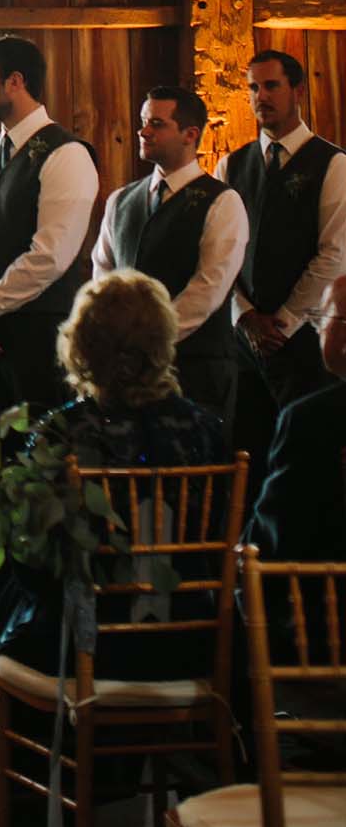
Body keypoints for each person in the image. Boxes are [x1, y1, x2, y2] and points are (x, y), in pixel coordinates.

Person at [0, 269, 226, 827]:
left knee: (16, 608)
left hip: (92, 647)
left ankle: (29, 824)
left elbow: (33, 564)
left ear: (82, 346)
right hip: (191, 642)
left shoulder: (64, 431)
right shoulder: (207, 432)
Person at [0, 36, 99, 422]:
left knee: (41, 465)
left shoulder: (67, 153)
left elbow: (50, 256)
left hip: (40, 341)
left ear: (15, 81)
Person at [216, 48, 346, 472]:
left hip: (306, 339)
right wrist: (245, 315)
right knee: (245, 455)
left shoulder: (333, 164)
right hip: (243, 341)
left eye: (271, 85)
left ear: (298, 91)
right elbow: (220, 252)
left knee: (304, 460)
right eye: (253, 87)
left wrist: (284, 323)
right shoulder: (229, 166)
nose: (260, 97)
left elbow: (335, 253)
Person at [91, 85, 247, 429]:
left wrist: (147, 343)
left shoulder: (222, 202)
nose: (143, 131)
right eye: (143, 122)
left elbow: (207, 289)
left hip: (197, 369)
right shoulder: (120, 200)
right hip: (127, 373)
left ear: (190, 134)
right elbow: (102, 276)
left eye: (157, 124)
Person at [248, 269, 346, 566]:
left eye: (321, 319)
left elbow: (274, 536)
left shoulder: (309, 419)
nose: (317, 330)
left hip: (322, 602)